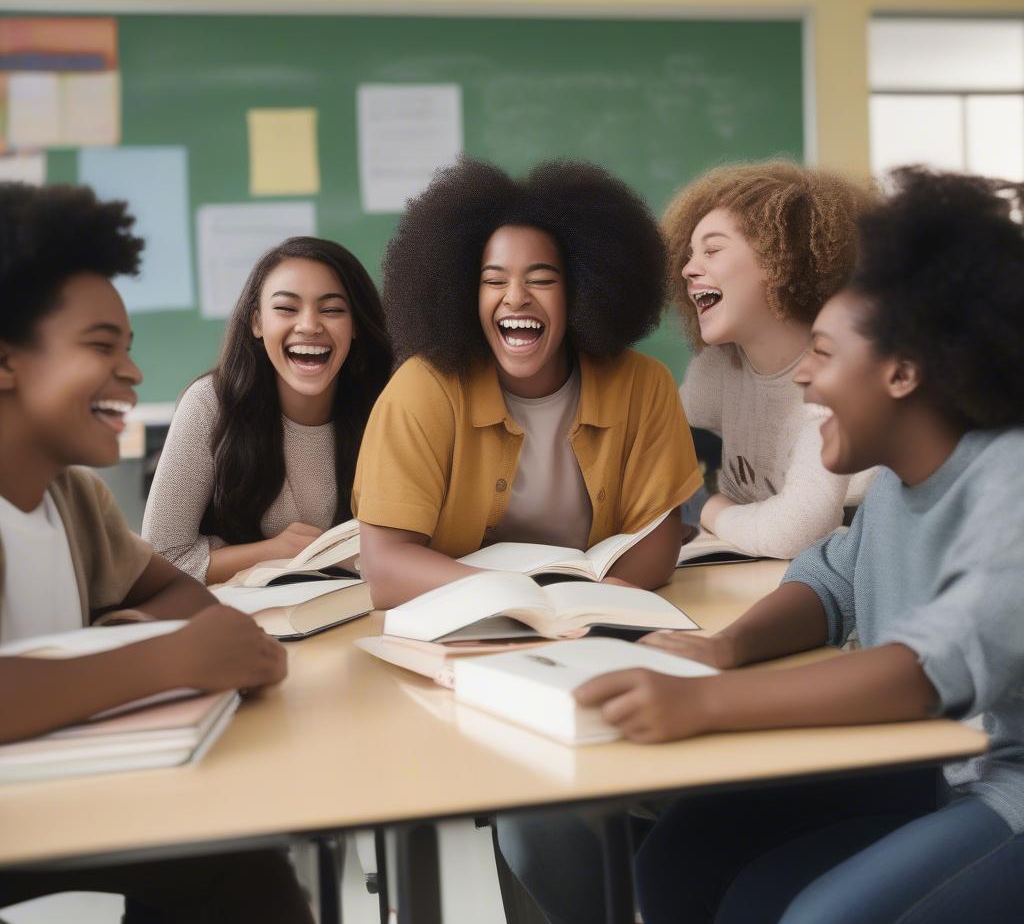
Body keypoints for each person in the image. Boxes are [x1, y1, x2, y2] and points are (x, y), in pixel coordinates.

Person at [578, 168, 1024, 924]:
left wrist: (708, 701)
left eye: (823, 353)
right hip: (924, 758)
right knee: (681, 857)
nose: (806, 379)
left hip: (1002, 786)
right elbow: (829, 581)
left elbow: (927, 668)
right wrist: (726, 649)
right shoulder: (899, 482)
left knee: (816, 918)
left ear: (903, 372)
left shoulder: (1008, 477)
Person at [0, 182, 312, 923]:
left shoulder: (71, 500)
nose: (134, 373)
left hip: (69, 798)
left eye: (130, 350)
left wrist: (130, 636)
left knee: (238, 867)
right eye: (101, 347)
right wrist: (167, 660)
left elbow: (186, 600)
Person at [353, 157, 704, 609]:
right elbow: (386, 567)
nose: (515, 296)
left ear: (580, 291)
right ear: (463, 293)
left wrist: (579, 608)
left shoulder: (643, 385)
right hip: (454, 629)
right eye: (493, 280)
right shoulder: (421, 390)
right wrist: (532, 600)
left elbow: (657, 547)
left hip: (591, 625)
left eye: (541, 280)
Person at [143, 237, 392, 584]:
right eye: (287, 309)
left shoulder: (387, 406)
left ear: (355, 328)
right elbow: (162, 559)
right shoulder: (209, 406)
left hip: (355, 617)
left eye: (333, 309)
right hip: (238, 622)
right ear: (257, 323)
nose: (309, 325)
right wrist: (274, 552)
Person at [664, 160, 875, 557]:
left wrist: (704, 507)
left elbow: (792, 535)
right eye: (690, 255)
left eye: (712, 250)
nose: (688, 269)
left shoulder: (838, 384)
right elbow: (652, 445)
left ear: (784, 258)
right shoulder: (716, 371)